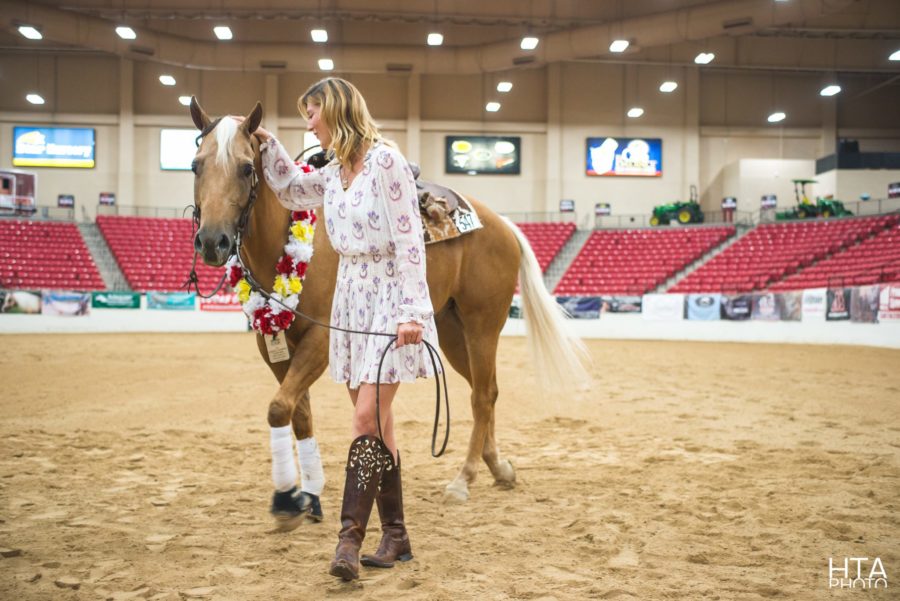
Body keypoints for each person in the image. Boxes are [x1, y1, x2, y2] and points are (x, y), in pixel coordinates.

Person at [246, 77, 439, 581]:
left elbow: (409, 240)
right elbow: (290, 189)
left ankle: (348, 542)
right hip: (351, 299)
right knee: (380, 424)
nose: (309, 123)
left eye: (311, 113)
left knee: (364, 419)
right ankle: (396, 535)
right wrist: (269, 145)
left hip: (389, 296)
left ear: (335, 110)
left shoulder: (387, 162)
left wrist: (412, 310)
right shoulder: (332, 173)